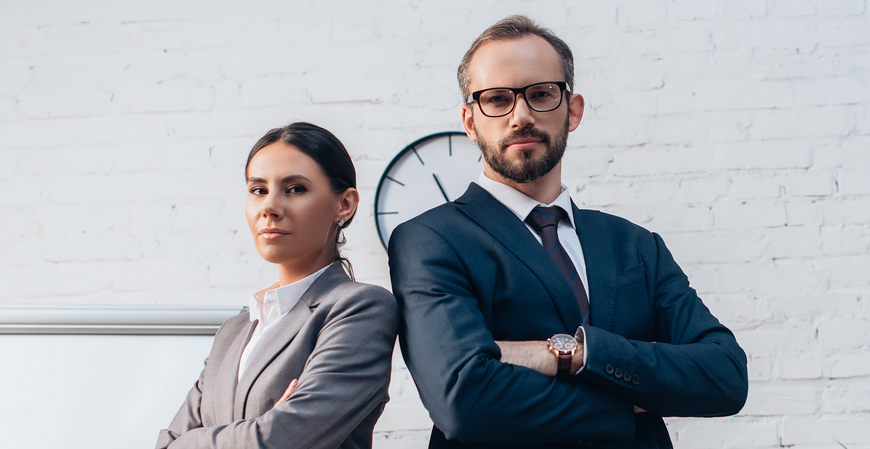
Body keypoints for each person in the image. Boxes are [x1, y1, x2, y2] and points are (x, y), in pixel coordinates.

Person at [388, 15, 748, 448]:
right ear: (469, 122)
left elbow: (724, 374)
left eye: (540, 94)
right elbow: (464, 400)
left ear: (572, 110)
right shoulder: (429, 240)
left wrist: (574, 354)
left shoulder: (636, 246)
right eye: (497, 100)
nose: (520, 116)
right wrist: (633, 398)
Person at [156, 122, 398, 449]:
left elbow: (279, 440)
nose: (269, 207)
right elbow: (166, 444)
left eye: (295, 188)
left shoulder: (360, 309)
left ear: (345, 204)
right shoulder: (235, 331)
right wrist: (260, 427)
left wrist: (199, 440)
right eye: (258, 190)